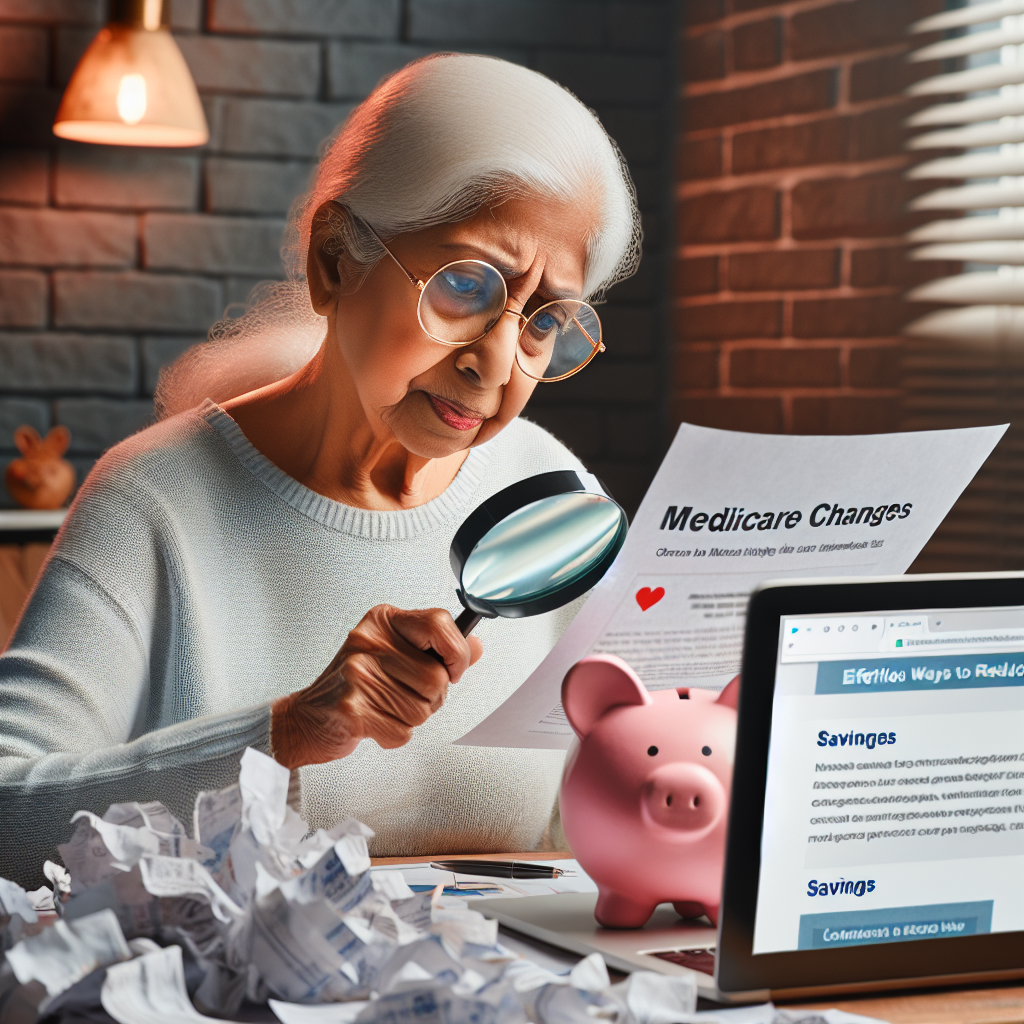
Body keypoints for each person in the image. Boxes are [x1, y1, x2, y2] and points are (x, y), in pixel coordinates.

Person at [0, 54, 641, 886]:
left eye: (543, 320)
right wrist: (283, 734)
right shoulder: (154, 497)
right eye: (465, 285)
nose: (496, 363)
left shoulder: (550, 493)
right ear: (336, 259)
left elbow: (621, 798)